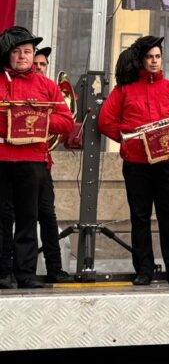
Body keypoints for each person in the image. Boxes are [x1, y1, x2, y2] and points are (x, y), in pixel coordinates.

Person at [98, 36, 169, 286]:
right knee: (140, 217)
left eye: (157, 57)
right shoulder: (124, 90)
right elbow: (105, 122)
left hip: (166, 161)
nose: (154, 61)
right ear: (141, 61)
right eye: (149, 58)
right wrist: (130, 141)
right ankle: (144, 270)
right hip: (136, 164)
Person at [0, 26, 74, 289]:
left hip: (32, 160)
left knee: (28, 219)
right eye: (17, 51)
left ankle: (26, 274)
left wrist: (37, 121)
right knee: (1, 218)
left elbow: (66, 122)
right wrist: (11, 121)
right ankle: (2, 273)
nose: (22, 56)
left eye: (28, 52)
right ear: (7, 54)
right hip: (2, 157)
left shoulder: (47, 86)